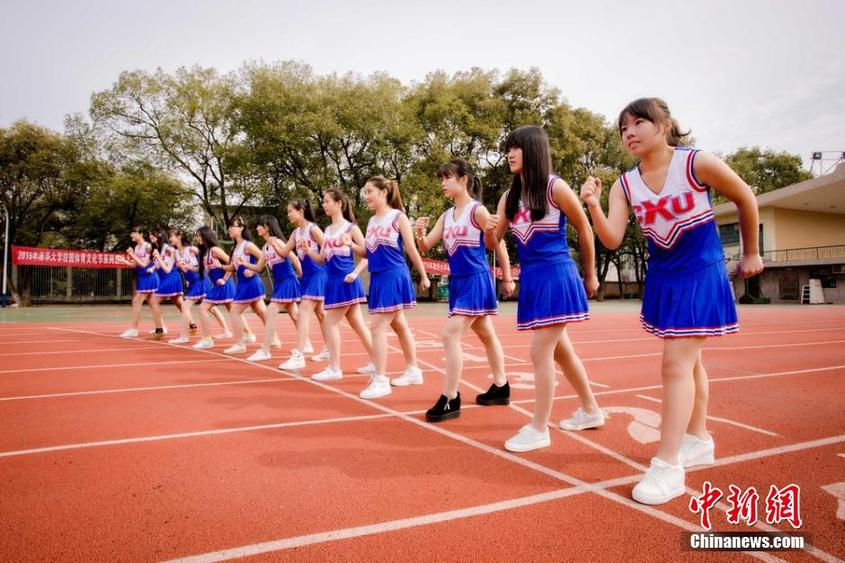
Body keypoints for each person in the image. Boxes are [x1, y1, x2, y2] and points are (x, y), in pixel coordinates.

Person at [581, 97, 762, 504]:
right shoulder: (624, 184)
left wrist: (751, 252)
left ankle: (668, 466)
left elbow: (746, 197)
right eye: (623, 127)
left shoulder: (696, 163)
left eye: (638, 123)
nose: (629, 132)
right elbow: (611, 238)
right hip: (664, 277)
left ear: (663, 126)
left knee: (675, 363)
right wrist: (592, 205)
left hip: (700, 270)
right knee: (690, 361)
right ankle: (697, 440)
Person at [484, 125, 604, 453]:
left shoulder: (555, 187)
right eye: (508, 148)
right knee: (561, 352)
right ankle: (591, 410)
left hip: (557, 275)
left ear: (534, 150)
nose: (510, 153)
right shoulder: (508, 198)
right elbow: (493, 242)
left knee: (540, 353)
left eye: (517, 147)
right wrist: (488, 229)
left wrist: (590, 275)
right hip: (533, 280)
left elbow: (584, 228)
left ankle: (539, 427)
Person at [414, 158, 514, 422]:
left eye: (447, 177)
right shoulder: (446, 216)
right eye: (442, 179)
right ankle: (501, 386)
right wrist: (420, 233)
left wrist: (506, 277)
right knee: (486, 333)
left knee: (450, 334)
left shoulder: (477, 211)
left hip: (476, 279)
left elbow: (498, 244)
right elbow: (425, 246)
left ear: (463, 180)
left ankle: (450, 397)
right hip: (459, 282)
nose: (443, 183)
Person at [344, 176, 430, 399]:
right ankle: (413, 371)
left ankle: (381, 380)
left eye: (370, 191)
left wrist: (423, 275)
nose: (366, 196)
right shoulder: (372, 221)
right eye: (365, 192)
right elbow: (367, 252)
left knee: (377, 327)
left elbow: (411, 249)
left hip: (394, 275)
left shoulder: (398, 217)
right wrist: (351, 245)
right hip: (378, 277)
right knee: (399, 325)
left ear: (383, 192)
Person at [300, 188, 376, 381]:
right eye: (323, 202)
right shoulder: (326, 230)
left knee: (330, 322)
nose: (324, 205)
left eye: (327, 201)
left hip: (346, 281)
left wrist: (355, 272)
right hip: (332, 281)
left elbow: (368, 254)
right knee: (358, 324)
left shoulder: (351, 228)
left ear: (339, 203)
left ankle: (334, 368)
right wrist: (309, 251)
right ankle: (377, 361)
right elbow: (322, 259)